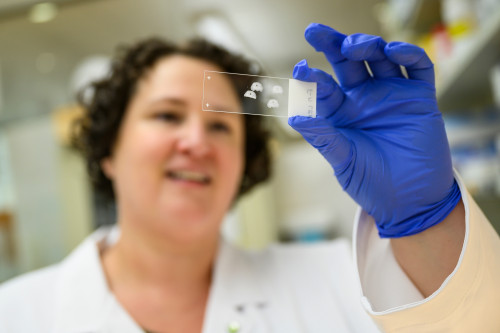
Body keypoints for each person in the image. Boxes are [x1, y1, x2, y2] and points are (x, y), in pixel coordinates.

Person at [0, 22, 499, 333]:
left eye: (221, 125)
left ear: (243, 164)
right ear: (108, 148)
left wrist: (424, 220)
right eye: (167, 116)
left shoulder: (341, 280)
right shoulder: (16, 315)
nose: (197, 141)